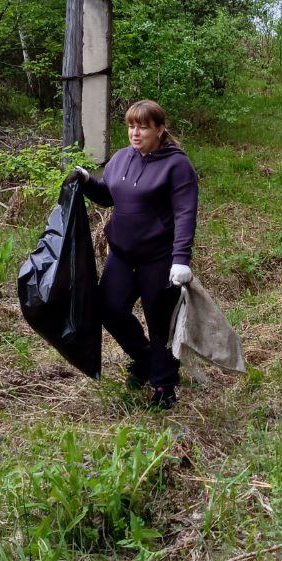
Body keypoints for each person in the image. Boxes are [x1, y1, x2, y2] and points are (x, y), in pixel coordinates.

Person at [76, 100, 198, 410]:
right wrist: (88, 183)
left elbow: (185, 213)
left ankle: (164, 387)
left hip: (159, 259)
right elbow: (109, 196)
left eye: (143, 126)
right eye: (131, 126)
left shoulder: (177, 165)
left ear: (159, 129)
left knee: (160, 322)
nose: (135, 132)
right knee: (108, 309)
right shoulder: (120, 159)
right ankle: (144, 359)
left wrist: (181, 259)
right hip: (122, 256)